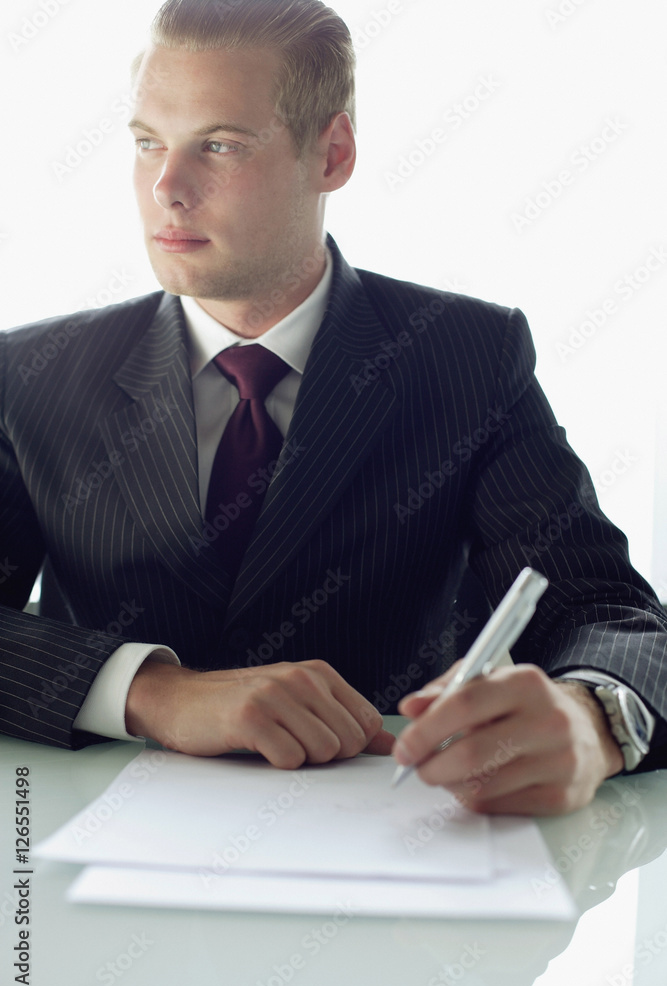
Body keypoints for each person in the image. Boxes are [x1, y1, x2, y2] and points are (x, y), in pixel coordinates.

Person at [0, 0, 665, 816]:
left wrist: (595, 720)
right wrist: (154, 692)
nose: (166, 188)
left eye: (219, 144)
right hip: (89, 846)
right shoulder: (31, 374)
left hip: (398, 838)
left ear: (332, 153)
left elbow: (606, 608)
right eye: (147, 143)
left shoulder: (467, 356)